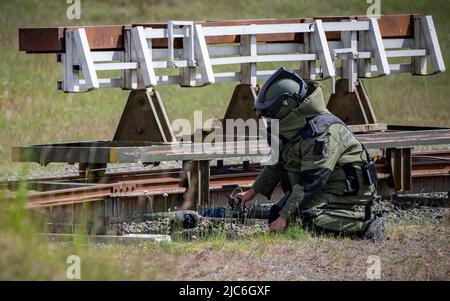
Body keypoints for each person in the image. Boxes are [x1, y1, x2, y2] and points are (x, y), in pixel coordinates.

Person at [236, 67, 384, 241]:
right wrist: (251, 193)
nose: (270, 120)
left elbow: (310, 183)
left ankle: (367, 225)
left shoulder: (322, 133)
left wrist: (285, 217)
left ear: (286, 106)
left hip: (345, 193)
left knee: (304, 219)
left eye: (271, 115)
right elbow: (279, 163)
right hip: (324, 187)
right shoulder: (296, 127)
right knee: (278, 214)